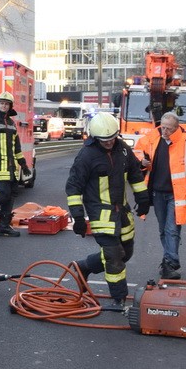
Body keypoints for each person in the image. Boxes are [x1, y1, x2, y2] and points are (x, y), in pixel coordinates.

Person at [66, 112, 150, 310]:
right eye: (105, 140)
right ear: (95, 138)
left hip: (123, 213)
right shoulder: (86, 156)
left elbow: (135, 174)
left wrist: (143, 198)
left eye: (113, 138)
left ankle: (84, 266)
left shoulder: (122, 149)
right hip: (101, 214)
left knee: (125, 253)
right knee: (113, 256)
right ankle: (119, 299)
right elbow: (73, 188)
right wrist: (78, 217)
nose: (109, 143)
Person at [133, 112, 186, 280]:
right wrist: (142, 162)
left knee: (171, 229)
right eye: (163, 127)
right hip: (158, 192)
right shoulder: (154, 135)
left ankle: (170, 263)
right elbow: (137, 151)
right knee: (162, 229)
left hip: (177, 194)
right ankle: (168, 260)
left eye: (168, 129)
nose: (164, 131)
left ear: (176, 128)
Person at [0, 92, 31, 238]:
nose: (4, 106)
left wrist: (23, 164)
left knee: (11, 195)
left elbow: (17, 147)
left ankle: (4, 227)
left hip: (12, 166)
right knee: (3, 193)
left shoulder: (11, 123)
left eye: (6, 104)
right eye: (1, 103)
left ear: (10, 106)